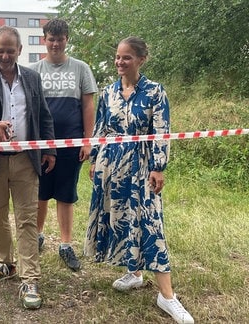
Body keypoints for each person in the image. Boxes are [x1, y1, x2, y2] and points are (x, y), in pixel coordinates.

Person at [84, 36, 194, 324]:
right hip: (111, 167)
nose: (120, 62)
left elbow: (161, 131)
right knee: (122, 219)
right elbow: (100, 128)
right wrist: (95, 159)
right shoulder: (108, 92)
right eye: (118, 57)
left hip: (143, 167)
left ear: (141, 59)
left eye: (127, 57)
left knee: (150, 224)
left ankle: (167, 296)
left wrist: (159, 167)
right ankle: (133, 273)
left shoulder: (155, 92)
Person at [0, 25, 56, 310]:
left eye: (10, 50)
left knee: (27, 218)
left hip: (25, 159)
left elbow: (43, 114)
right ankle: (5, 263)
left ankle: (30, 279)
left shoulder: (31, 77)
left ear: (19, 51)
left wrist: (50, 148)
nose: (5, 56)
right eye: (0, 50)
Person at [29, 18, 97, 271]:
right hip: (42, 144)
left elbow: (89, 105)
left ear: (67, 39)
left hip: (72, 143)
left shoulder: (80, 68)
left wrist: (87, 141)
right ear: (44, 39)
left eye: (60, 39)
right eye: (51, 39)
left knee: (66, 194)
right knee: (41, 193)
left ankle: (66, 245)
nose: (55, 44)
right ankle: (36, 237)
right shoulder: (33, 70)